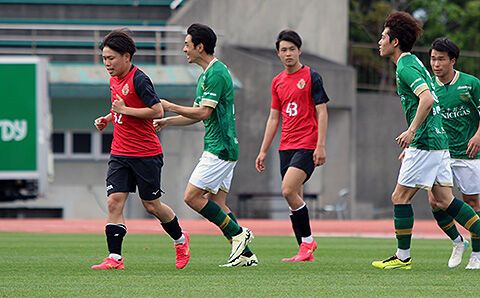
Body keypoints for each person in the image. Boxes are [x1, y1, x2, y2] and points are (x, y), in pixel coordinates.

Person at [372, 11, 480, 270]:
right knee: (443, 200)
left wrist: (411, 132)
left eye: (384, 36)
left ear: (395, 41)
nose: (380, 41)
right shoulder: (415, 63)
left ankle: (403, 257)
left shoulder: (406, 66)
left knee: (399, 197)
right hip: (438, 141)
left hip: (426, 142)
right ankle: (457, 243)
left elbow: (427, 99)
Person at [153, 23, 256, 267]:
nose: (184, 49)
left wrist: (170, 106)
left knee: (192, 197)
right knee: (218, 204)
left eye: (187, 45)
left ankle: (239, 234)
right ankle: (246, 255)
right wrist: (168, 121)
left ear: (200, 47)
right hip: (222, 146)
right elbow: (198, 114)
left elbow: (203, 113)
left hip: (219, 148)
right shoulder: (206, 75)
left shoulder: (217, 73)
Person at [91, 29, 190, 270]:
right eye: (104, 59)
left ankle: (180, 239)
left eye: (111, 58)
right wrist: (108, 118)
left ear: (126, 56)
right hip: (120, 152)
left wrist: (124, 111)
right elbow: (121, 108)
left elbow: (157, 111)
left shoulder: (140, 79)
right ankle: (115, 257)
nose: (107, 64)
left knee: (152, 205)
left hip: (146, 153)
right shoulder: (113, 79)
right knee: (114, 202)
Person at [255, 30, 329, 262]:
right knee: (295, 196)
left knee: (287, 191)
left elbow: (322, 112)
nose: (288, 54)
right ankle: (303, 250)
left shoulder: (311, 77)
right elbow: (274, 118)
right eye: (283, 50)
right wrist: (263, 150)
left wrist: (321, 145)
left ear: (299, 50)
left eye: (292, 49)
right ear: (278, 54)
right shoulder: (277, 82)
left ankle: (308, 242)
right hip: (285, 146)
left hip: (307, 144)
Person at [428, 37, 480, 269]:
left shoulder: (470, 84)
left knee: (472, 202)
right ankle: (457, 241)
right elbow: (424, 117)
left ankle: (477, 254)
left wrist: (478, 135)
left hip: (469, 153)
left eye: (441, 59)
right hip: (441, 153)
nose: (436, 64)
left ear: (453, 61)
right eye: (432, 59)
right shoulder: (428, 87)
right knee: (436, 201)